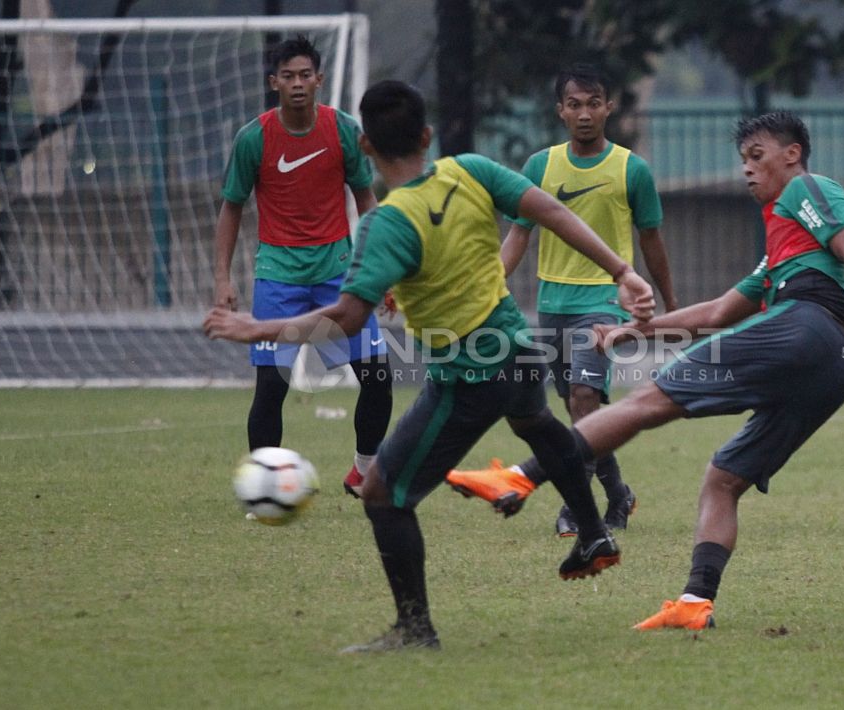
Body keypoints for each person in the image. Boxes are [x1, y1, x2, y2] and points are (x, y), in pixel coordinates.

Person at [204, 80, 657, 652]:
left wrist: (255, 328)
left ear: (364, 146)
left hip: (467, 377)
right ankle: (593, 533)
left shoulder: (386, 224)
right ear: (426, 135)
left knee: (381, 495)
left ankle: (415, 628)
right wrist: (622, 270)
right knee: (539, 425)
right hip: (516, 351)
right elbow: (549, 210)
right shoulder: (470, 170)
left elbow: (345, 317)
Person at [443, 110, 844, 631]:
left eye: (757, 158)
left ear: (792, 154)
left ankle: (520, 476)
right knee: (724, 478)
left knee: (648, 400)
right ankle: (694, 602)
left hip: (809, 328)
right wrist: (632, 332)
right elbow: (713, 315)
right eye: (742, 162)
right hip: (839, 367)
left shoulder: (809, 190)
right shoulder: (781, 254)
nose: (747, 170)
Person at [449, 63, 676, 538]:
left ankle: (580, 508)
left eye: (594, 103)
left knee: (584, 396)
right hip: (553, 303)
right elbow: (518, 236)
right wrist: (488, 286)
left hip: (604, 303)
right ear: (560, 111)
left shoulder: (631, 169)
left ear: (609, 107)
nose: (585, 113)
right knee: (581, 413)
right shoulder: (540, 166)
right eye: (575, 104)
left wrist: (670, 307)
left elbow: (652, 242)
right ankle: (619, 495)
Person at [213, 36, 393, 496]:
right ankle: (263, 487)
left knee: (376, 375)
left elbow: (366, 197)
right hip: (278, 276)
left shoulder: (342, 130)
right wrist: (222, 279)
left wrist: (380, 268)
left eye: (305, 75)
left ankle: (363, 470)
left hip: (339, 272)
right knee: (271, 387)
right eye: (287, 76)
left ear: (319, 79)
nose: (297, 84)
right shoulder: (254, 138)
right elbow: (231, 206)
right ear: (274, 83)